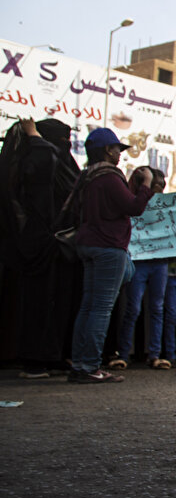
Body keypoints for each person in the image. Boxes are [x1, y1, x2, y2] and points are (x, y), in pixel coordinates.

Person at [68, 128, 154, 383]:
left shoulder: (88, 176)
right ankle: (91, 366)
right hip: (108, 246)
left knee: (88, 307)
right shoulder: (108, 176)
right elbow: (134, 207)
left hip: (88, 244)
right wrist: (146, 184)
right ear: (108, 150)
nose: (120, 154)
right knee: (102, 309)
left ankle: (80, 365)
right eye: (118, 149)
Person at [0, 118, 80, 377]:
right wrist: (34, 137)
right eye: (60, 140)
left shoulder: (62, 165)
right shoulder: (37, 160)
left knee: (61, 302)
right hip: (38, 245)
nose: (65, 146)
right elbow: (43, 164)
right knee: (37, 303)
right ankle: (34, 358)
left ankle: (53, 355)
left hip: (61, 247)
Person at [115, 168, 170, 369]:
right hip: (139, 261)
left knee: (156, 308)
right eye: (158, 182)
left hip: (159, 262)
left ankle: (154, 354)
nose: (162, 185)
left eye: (163, 182)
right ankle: (124, 353)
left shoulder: (168, 204)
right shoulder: (136, 200)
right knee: (133, 308)